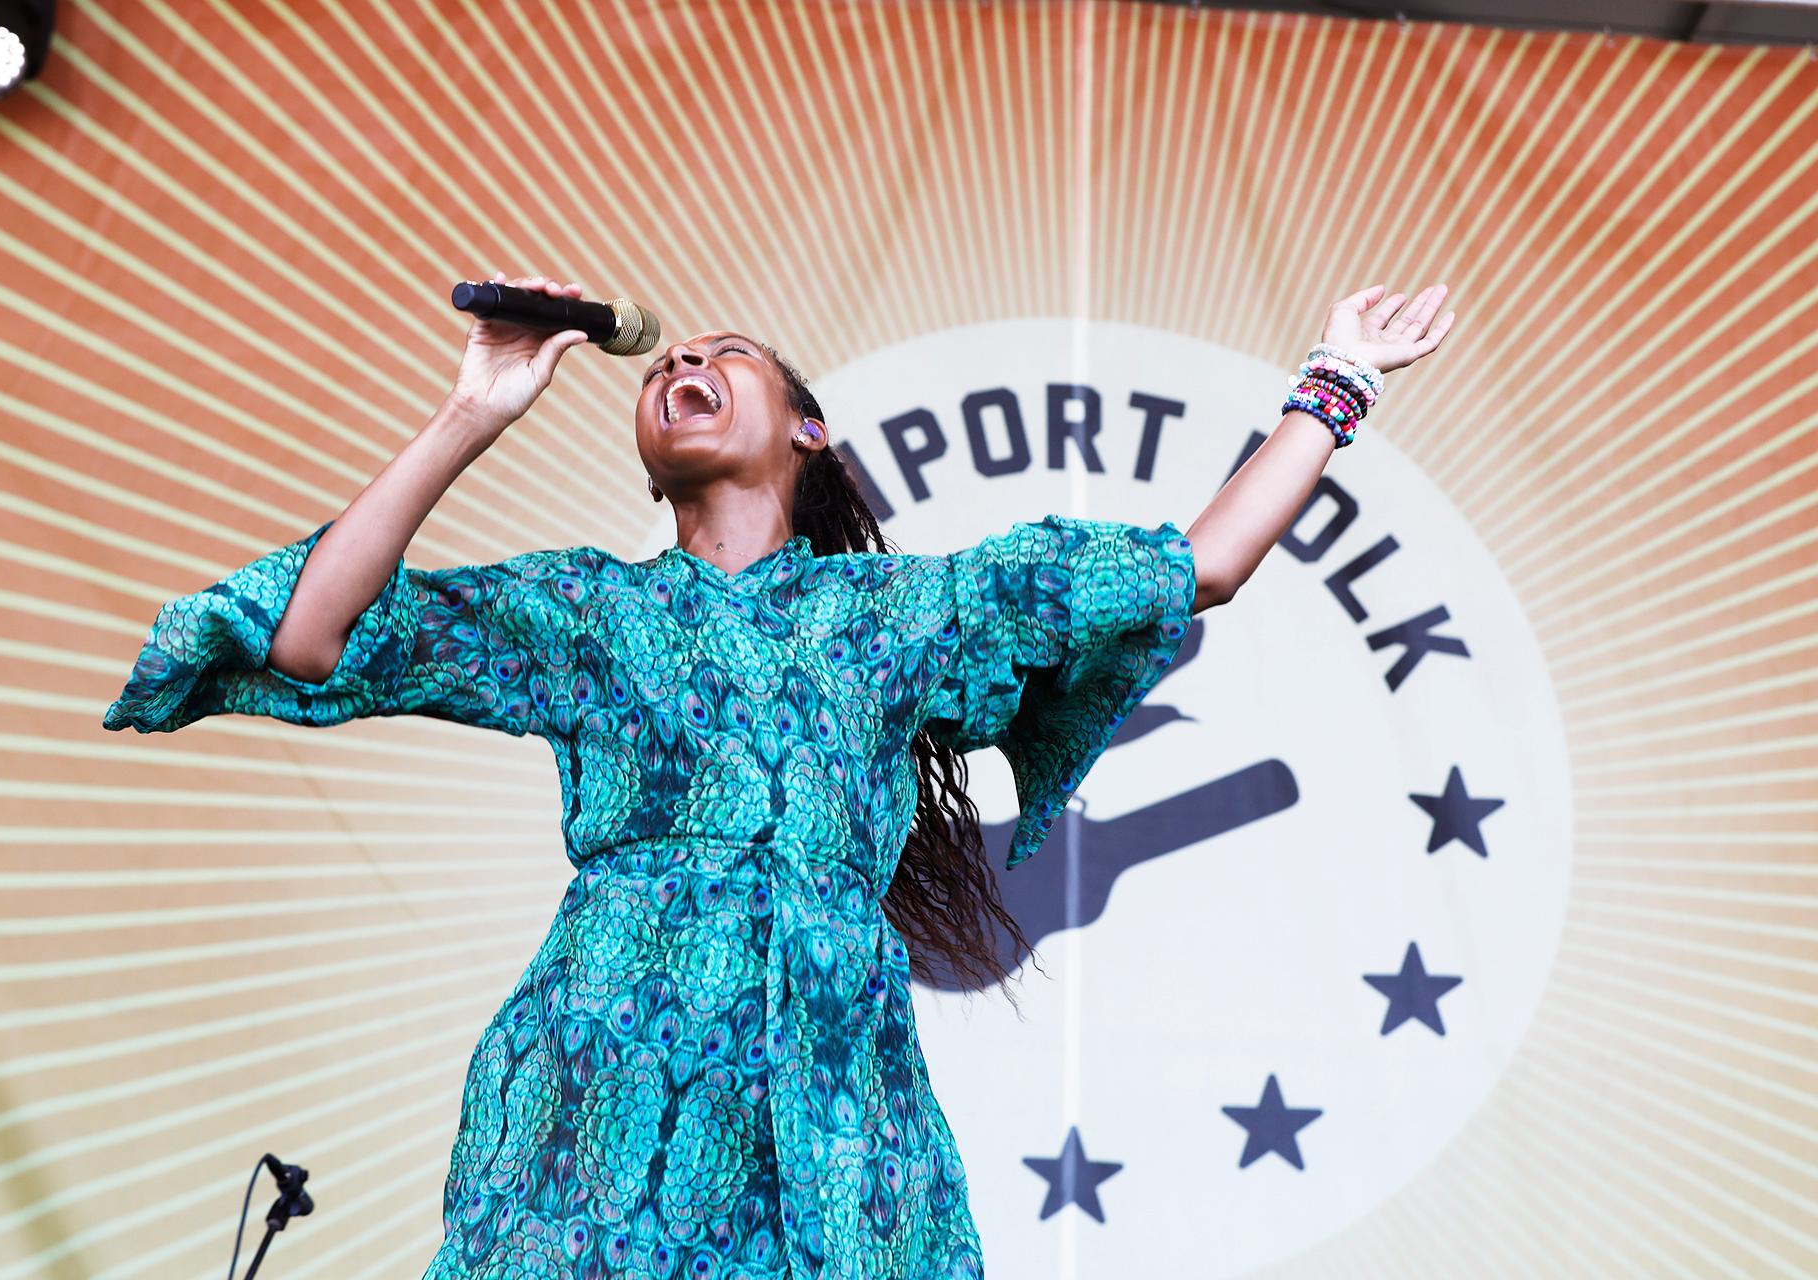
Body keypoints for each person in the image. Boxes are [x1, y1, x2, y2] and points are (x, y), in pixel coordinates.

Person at [103, 271, 1453, 1278]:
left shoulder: (905, 615)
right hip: (602, 1068)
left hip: (832, 1082)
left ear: (806, 431)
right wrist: (476, 410)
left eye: (725, 354)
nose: (681, 356)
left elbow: (1196, 565)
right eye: (663, 362)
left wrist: (1335, 384)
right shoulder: (589, 613)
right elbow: (314, 633)